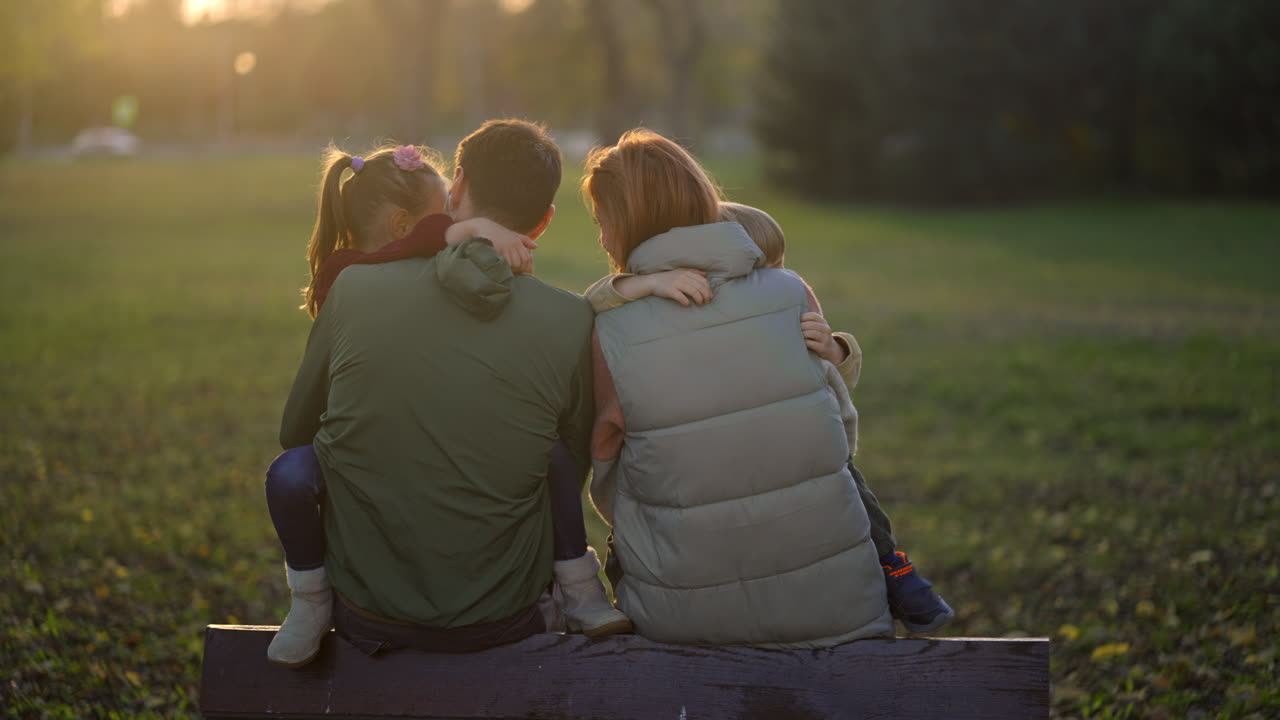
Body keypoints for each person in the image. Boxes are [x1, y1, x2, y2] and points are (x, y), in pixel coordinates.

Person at [267, 122, 627, 668]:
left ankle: (308, 605)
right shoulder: (571, 319)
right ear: (545, 220)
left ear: (456, 187)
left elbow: (296, 432)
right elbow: (567, 468)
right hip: (506, 616)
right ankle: (581, 594)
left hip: (367, 612)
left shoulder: (355, 289)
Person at [581, 128, 893, 648]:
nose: (600, 239)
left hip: (683, 620)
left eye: (602, 223)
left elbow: (606, 466)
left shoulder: (610, 332)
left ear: (629, 221)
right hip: (837, 609)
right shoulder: (791, 292)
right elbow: (837, 421)